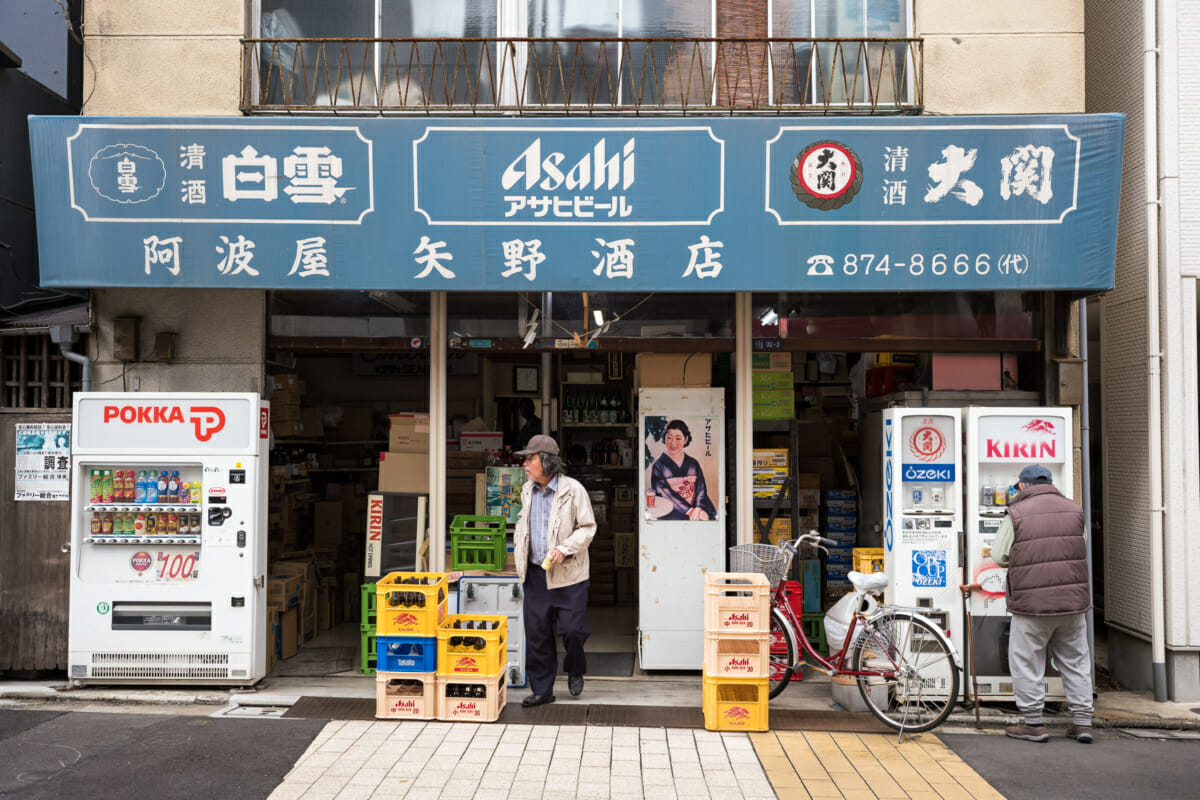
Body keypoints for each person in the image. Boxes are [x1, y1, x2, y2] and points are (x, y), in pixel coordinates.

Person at [993, 464, 1094, 744]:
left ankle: (1034, 724)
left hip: (1032, 604)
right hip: (1072, 604)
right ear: (1050, 483)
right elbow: (1078, 546)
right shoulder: (1075, 510)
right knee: (1075, 661)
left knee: (1027, 661)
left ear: (1023, 487)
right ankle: (1083, 723)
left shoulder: (1015, 513)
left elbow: (1000, 555)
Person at [513, 434, 597, 707]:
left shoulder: (574, 490)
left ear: (546, 462)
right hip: (536, 574)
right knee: (537, 634)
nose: (525, 464)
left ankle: (575, 668)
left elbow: (588, 527)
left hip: (568, 574)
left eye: (530, 459)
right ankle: (542, 690)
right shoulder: (527, 490)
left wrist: (565, 548)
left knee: (572, 630)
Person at [649, 419, 717, 520]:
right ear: (664, 439)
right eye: (669, 438)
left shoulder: (693, 463)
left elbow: (701, 488)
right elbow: (664, 493)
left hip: (697, 509)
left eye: (678, 438)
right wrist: (689, 510)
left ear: (685, 439)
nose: (673, 443)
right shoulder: (659, 466)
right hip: (673, 510)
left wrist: (698, 508)